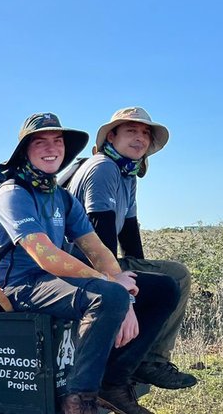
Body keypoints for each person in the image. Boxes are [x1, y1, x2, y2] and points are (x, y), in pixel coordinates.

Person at [0, 112, 180, 414]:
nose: (51, 148)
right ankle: (78, 398)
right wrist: (112, 286)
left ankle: (115, 378)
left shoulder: (62, 197)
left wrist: (118, 277)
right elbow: (44, 255)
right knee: (107, 296)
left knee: (164, 287)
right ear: (25, 150)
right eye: (41, 142)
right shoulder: (13, 193)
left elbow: (96, 247)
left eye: (57, 142)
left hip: (54, 279)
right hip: (21, 284)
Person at [66, 107, 196, 389]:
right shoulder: (103, 168)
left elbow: (129, 232)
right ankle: (149, 361)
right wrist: (122, 290)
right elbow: (100, 233)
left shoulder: (127, 172)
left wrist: (139, 274)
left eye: (145, 133)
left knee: (168, 276)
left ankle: (147, 358)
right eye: (131, 131)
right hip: (85, 263)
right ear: (111, 136)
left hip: (99, 258)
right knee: (178, 276)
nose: (140, 138)